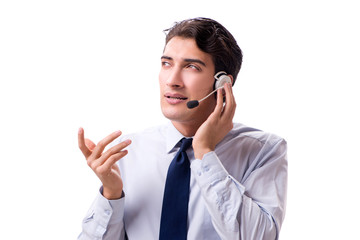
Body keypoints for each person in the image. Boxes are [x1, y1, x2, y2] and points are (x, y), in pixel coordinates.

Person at [77, 17, 287, 240]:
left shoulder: (263, 151)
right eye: (166, 64)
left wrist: (205, 152)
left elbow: (258, 237)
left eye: (191, 67)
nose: (172, 80)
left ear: (223, 83)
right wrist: (111, 194)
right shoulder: (128, 152)